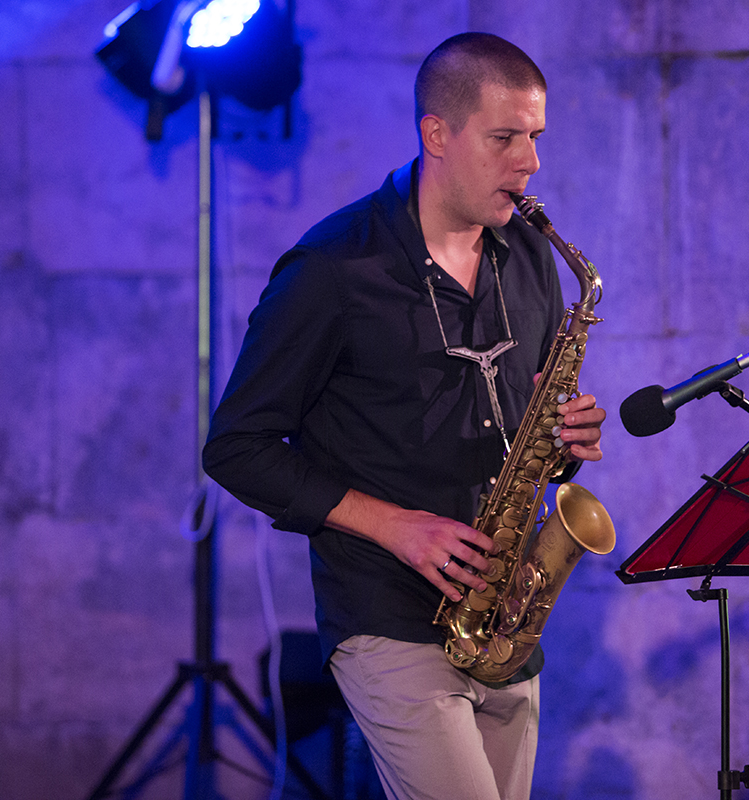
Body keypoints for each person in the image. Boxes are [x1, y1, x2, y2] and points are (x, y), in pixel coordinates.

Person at [202, 32, 606, 800]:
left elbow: (526, 428)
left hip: (504, 620)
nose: (530, 162)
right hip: (386, 612)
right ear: (436, 134)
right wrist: (395, 526)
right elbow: (236, 447)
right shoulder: (332, 269)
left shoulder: (529, 254)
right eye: (505, 138)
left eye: (535, 137)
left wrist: (563, 443)